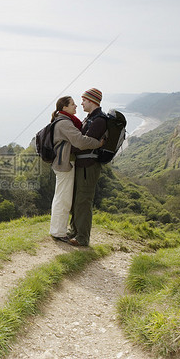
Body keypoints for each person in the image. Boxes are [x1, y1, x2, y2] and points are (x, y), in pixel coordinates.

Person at [49, 96, 103, 245]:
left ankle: (58, 230)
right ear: (64, 108)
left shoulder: (64, 120)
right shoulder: (65, 123)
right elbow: (79, 141)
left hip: (63, 162)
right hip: (64, 163)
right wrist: (97, 143)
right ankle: (59, 232)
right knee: (63, 198)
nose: (76, 106)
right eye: (72, 104)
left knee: (62, 196)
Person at [66, 88, 107, 246]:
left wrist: (68, 148)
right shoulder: (90, 118)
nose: (81, 103)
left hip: (88, 165)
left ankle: (82, 238)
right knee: (77, 198)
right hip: (82, 164)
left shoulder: (99, 120)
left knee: (84, 200)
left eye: (83, 100)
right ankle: (74, 230)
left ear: (92, 101)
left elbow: (84, 144)